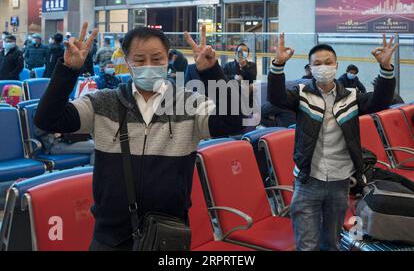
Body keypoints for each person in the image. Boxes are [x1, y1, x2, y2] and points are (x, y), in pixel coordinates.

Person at [34, 22, 244, 251]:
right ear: (127, 63)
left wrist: (211, 71)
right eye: (140, 60)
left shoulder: (189, 104)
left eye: (156, 59)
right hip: (110, 234)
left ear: (169, 60)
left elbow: (232, 122)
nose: (149, 66)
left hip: (167, 234)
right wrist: (68, 69)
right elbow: (47, 120)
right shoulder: (103, 103)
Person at [268, 33, 397, 251]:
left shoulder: (351, 97)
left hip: (340, 181)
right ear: (309, 68)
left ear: (336, 65)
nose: (323, 67)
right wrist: (278, 64)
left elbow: (380, 101)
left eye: (328, 62)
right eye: (317, 64)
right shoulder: (301, 95)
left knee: (332, 243)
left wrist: (386, 70)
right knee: (306, 245)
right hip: (308, 180)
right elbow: (276, 97)